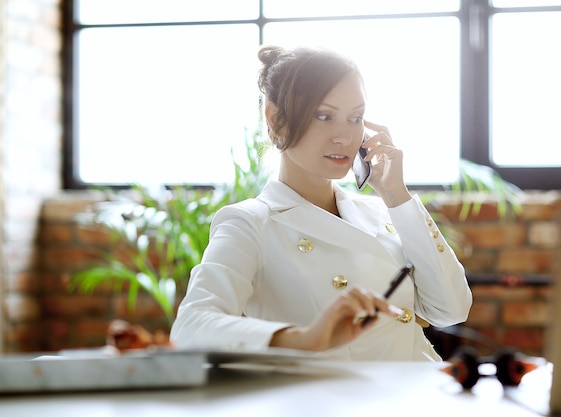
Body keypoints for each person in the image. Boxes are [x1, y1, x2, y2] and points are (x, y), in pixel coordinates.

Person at [170, 45, 472, 361]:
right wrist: (306, 338)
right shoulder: (250, 222)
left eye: (355, 118)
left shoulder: (381, 211)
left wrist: (397, 195)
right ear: (275, 119)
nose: (344, 136)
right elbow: (191, 326)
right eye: (324, 116)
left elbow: (451, 309)